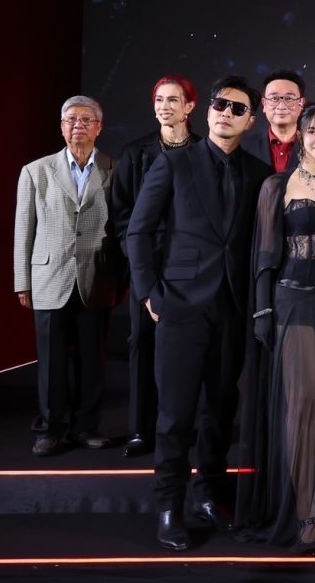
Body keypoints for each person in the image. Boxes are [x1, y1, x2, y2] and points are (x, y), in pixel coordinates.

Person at [126, 76, 270, 551]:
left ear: (251, 121)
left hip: (233, 308)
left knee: (220, 409)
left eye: (238, 108)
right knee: (175, 414)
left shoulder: (257, 173)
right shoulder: (174, 162)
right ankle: (169, 505)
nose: (226, 113)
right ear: (207, 111)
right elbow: (138, 231)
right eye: (220, 104)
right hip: (180, 306)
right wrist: (149, 292)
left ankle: (209, 493)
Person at [235, 103, 315, 555]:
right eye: (313, 131)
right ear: (300, 136)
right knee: (304, 407)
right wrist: (261, 311)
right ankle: (307, 513)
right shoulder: (276, 186)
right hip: (294, 300)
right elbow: (264, 255)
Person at [14, 96, 120, 456]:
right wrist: (22, 281)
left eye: (86, 119)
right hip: (49, 277)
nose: (78, 125)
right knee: (51, 362)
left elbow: (122, 227)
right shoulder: (36, 171)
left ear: (99, 127)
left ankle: (86, 427)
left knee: (92, 360)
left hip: (98, 277)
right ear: (61, 127)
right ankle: (50, 429)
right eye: (71, 119)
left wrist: (121, 277)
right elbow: (23, 230)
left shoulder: (115, 169)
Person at [111, 74, 202, 458]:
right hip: (146, 264)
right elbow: (121, 217)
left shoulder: (203, 151)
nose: (164, 107)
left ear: (189, 107)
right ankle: (139, 429)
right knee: (142, 343)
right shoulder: (135, 153)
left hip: (191, 267)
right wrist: (138, 262)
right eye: (159, 100)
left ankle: (184, 425)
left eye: (172, 100)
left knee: (188, 348)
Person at [242, 69, 305, 172]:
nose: (281, 106)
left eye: (289, 98)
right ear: (264, 104)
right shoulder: (244, 147)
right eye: (274, 98)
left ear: (301, 103)